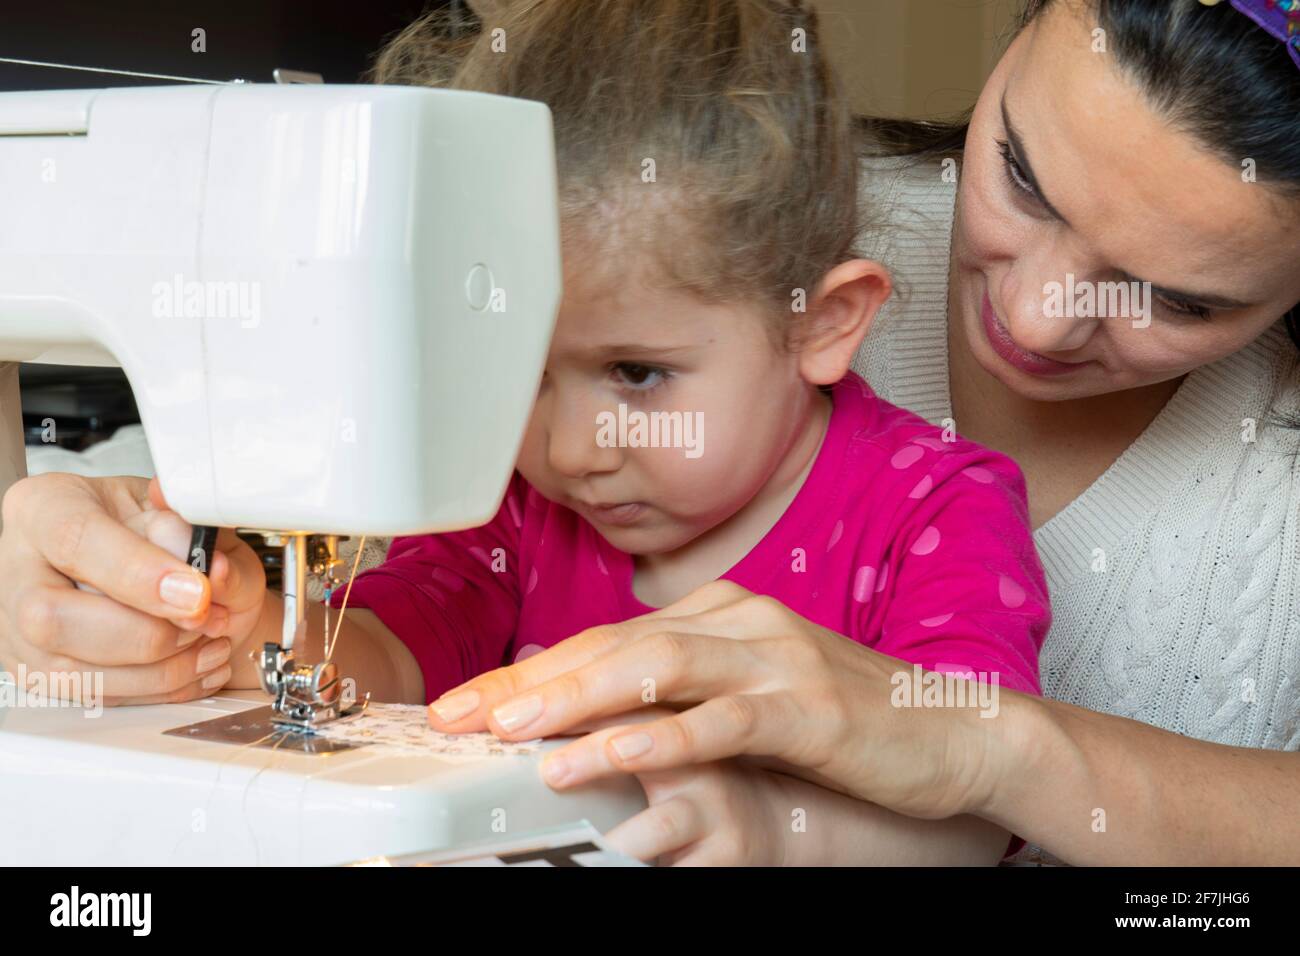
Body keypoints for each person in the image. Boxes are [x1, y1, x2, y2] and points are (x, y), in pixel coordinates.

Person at [0, 0, 1049, 865]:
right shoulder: (511, 508)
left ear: (821, 322)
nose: (570, 446)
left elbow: (971, 801)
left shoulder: (936, 512)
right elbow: (386, 652)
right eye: (514, 372)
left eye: (636, 374)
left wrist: (779, 832)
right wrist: (248, 629)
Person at [424, 0, 1300, 866]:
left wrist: (810, 818)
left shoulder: (932, 497)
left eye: (1178, 299)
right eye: (1023, 177)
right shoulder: (715, 212)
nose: (1032, 322)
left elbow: (961, 824)